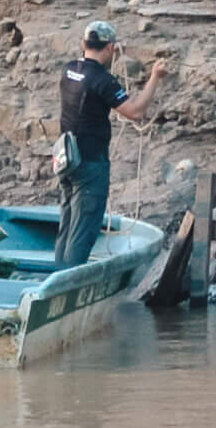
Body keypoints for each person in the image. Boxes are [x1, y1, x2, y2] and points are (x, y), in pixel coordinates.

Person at [55, 19, 165, 268]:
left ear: (84, 43)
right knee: (83, 229)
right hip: (90, 162)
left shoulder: (68, 69)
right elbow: (136, 112)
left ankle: (57, 273)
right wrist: (155, 78)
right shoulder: (102, 80)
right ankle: (66, 284)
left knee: (67, 222)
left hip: (65, 158)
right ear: (109, 48)